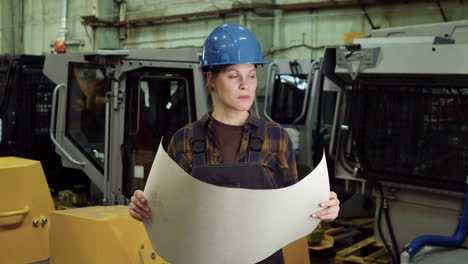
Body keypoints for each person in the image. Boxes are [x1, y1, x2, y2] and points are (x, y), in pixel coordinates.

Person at [129, 23, 340, 264]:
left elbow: (295, 208)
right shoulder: (184, 140)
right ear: (211, 78)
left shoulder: (276, 137)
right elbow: (166, 211)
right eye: (233, 76)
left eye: (251, 75)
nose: (246, 85)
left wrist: (325, 208)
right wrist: (143, 207)